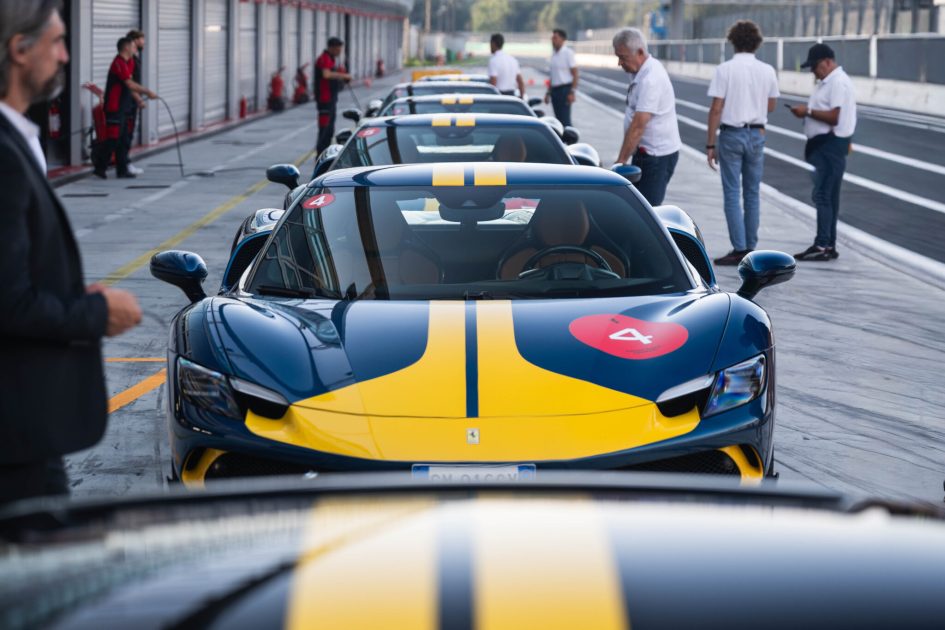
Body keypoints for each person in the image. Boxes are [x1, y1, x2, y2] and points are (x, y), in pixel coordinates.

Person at [0, 0, 142, 506]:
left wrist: (70, 293)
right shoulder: (5, 156)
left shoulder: (17, 141)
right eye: (57, 41)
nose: (65, 55)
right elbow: (8, 303)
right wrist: (96, 313)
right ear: (19, 49)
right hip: (16, 437)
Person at [705, 21, 779, 266]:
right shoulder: (767, 70)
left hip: (732, 135)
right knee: (752, 193)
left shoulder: (724, 69)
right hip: (757, 134)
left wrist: (710, 144)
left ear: (733, 41)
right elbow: (771, 105)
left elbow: (716, 109)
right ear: (756, 43)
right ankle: (751, 246)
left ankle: (739, 248)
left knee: (732, 192)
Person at [789, 43, 856, 261]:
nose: (813, 72)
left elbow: (835, 117)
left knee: (823, 195)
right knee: (829, 196)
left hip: (830, 145)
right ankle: (828, 244)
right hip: (827, 145)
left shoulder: (837, 82)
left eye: (815, 66)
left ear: (827, 62)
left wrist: (807, 111)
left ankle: (822, 245)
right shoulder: (829, 81)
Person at [612, 27, 681, 206]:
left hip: (655, 157)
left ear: (640, 52)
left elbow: (638, 126)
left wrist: (620, 162)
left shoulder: (651, 79)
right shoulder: (639, 71)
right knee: (636, 205)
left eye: (623, 57)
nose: (619, 63)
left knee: (646, 209)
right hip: (645, 153)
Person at [92, 36, 155, 179]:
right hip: (114, 108)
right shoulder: (118, 63)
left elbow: (130, 86)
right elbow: (130, 84)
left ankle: (122, 170)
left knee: (124, 139)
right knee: (113, 139)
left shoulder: (129, 62)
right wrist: (148, 92)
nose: (135, 49)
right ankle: (100, 167)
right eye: (133, 46)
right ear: (126, 48)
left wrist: (139, 100)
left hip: (124, 107)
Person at [315, 37, 352, 154]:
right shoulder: (324, 58)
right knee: (325, 129)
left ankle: (325, 152)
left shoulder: (331, 59)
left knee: (330, 130)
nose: (340, 52)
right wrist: (343, 76)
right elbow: (326, 74)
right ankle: (321, 155)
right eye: (338, 49)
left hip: (330, 99)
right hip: (325, 100)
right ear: (332, 48)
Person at [120, 29, 149, 176]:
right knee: (125, 135)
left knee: (127, 135)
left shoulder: (134, 59)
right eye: (142, 39)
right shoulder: (128, 61)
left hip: (130, 103)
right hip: (127, 104)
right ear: (135, 41)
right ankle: (124, 166)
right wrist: (139, 99)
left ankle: (124, 164)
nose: (144, 42)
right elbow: (129, 84)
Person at [544, 28, 578, 126]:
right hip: (555, 90)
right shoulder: (554, 54)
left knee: (565, 120)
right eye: (552, 38)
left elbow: (575, 74)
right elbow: (553, 76)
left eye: (555, 38)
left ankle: (570, 136)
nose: (552, 40)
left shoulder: (568, 53)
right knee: (557, 121)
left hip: (564, 90)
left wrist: (572, 92)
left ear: (563, 39)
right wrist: (548, 92)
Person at [487, 33, 525, 99]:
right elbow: (520, 82)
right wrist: (521, 98)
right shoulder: (513, 60)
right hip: (511, 96)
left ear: (493, 43)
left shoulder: (494, 60)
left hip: (499, 96)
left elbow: (493, 83)